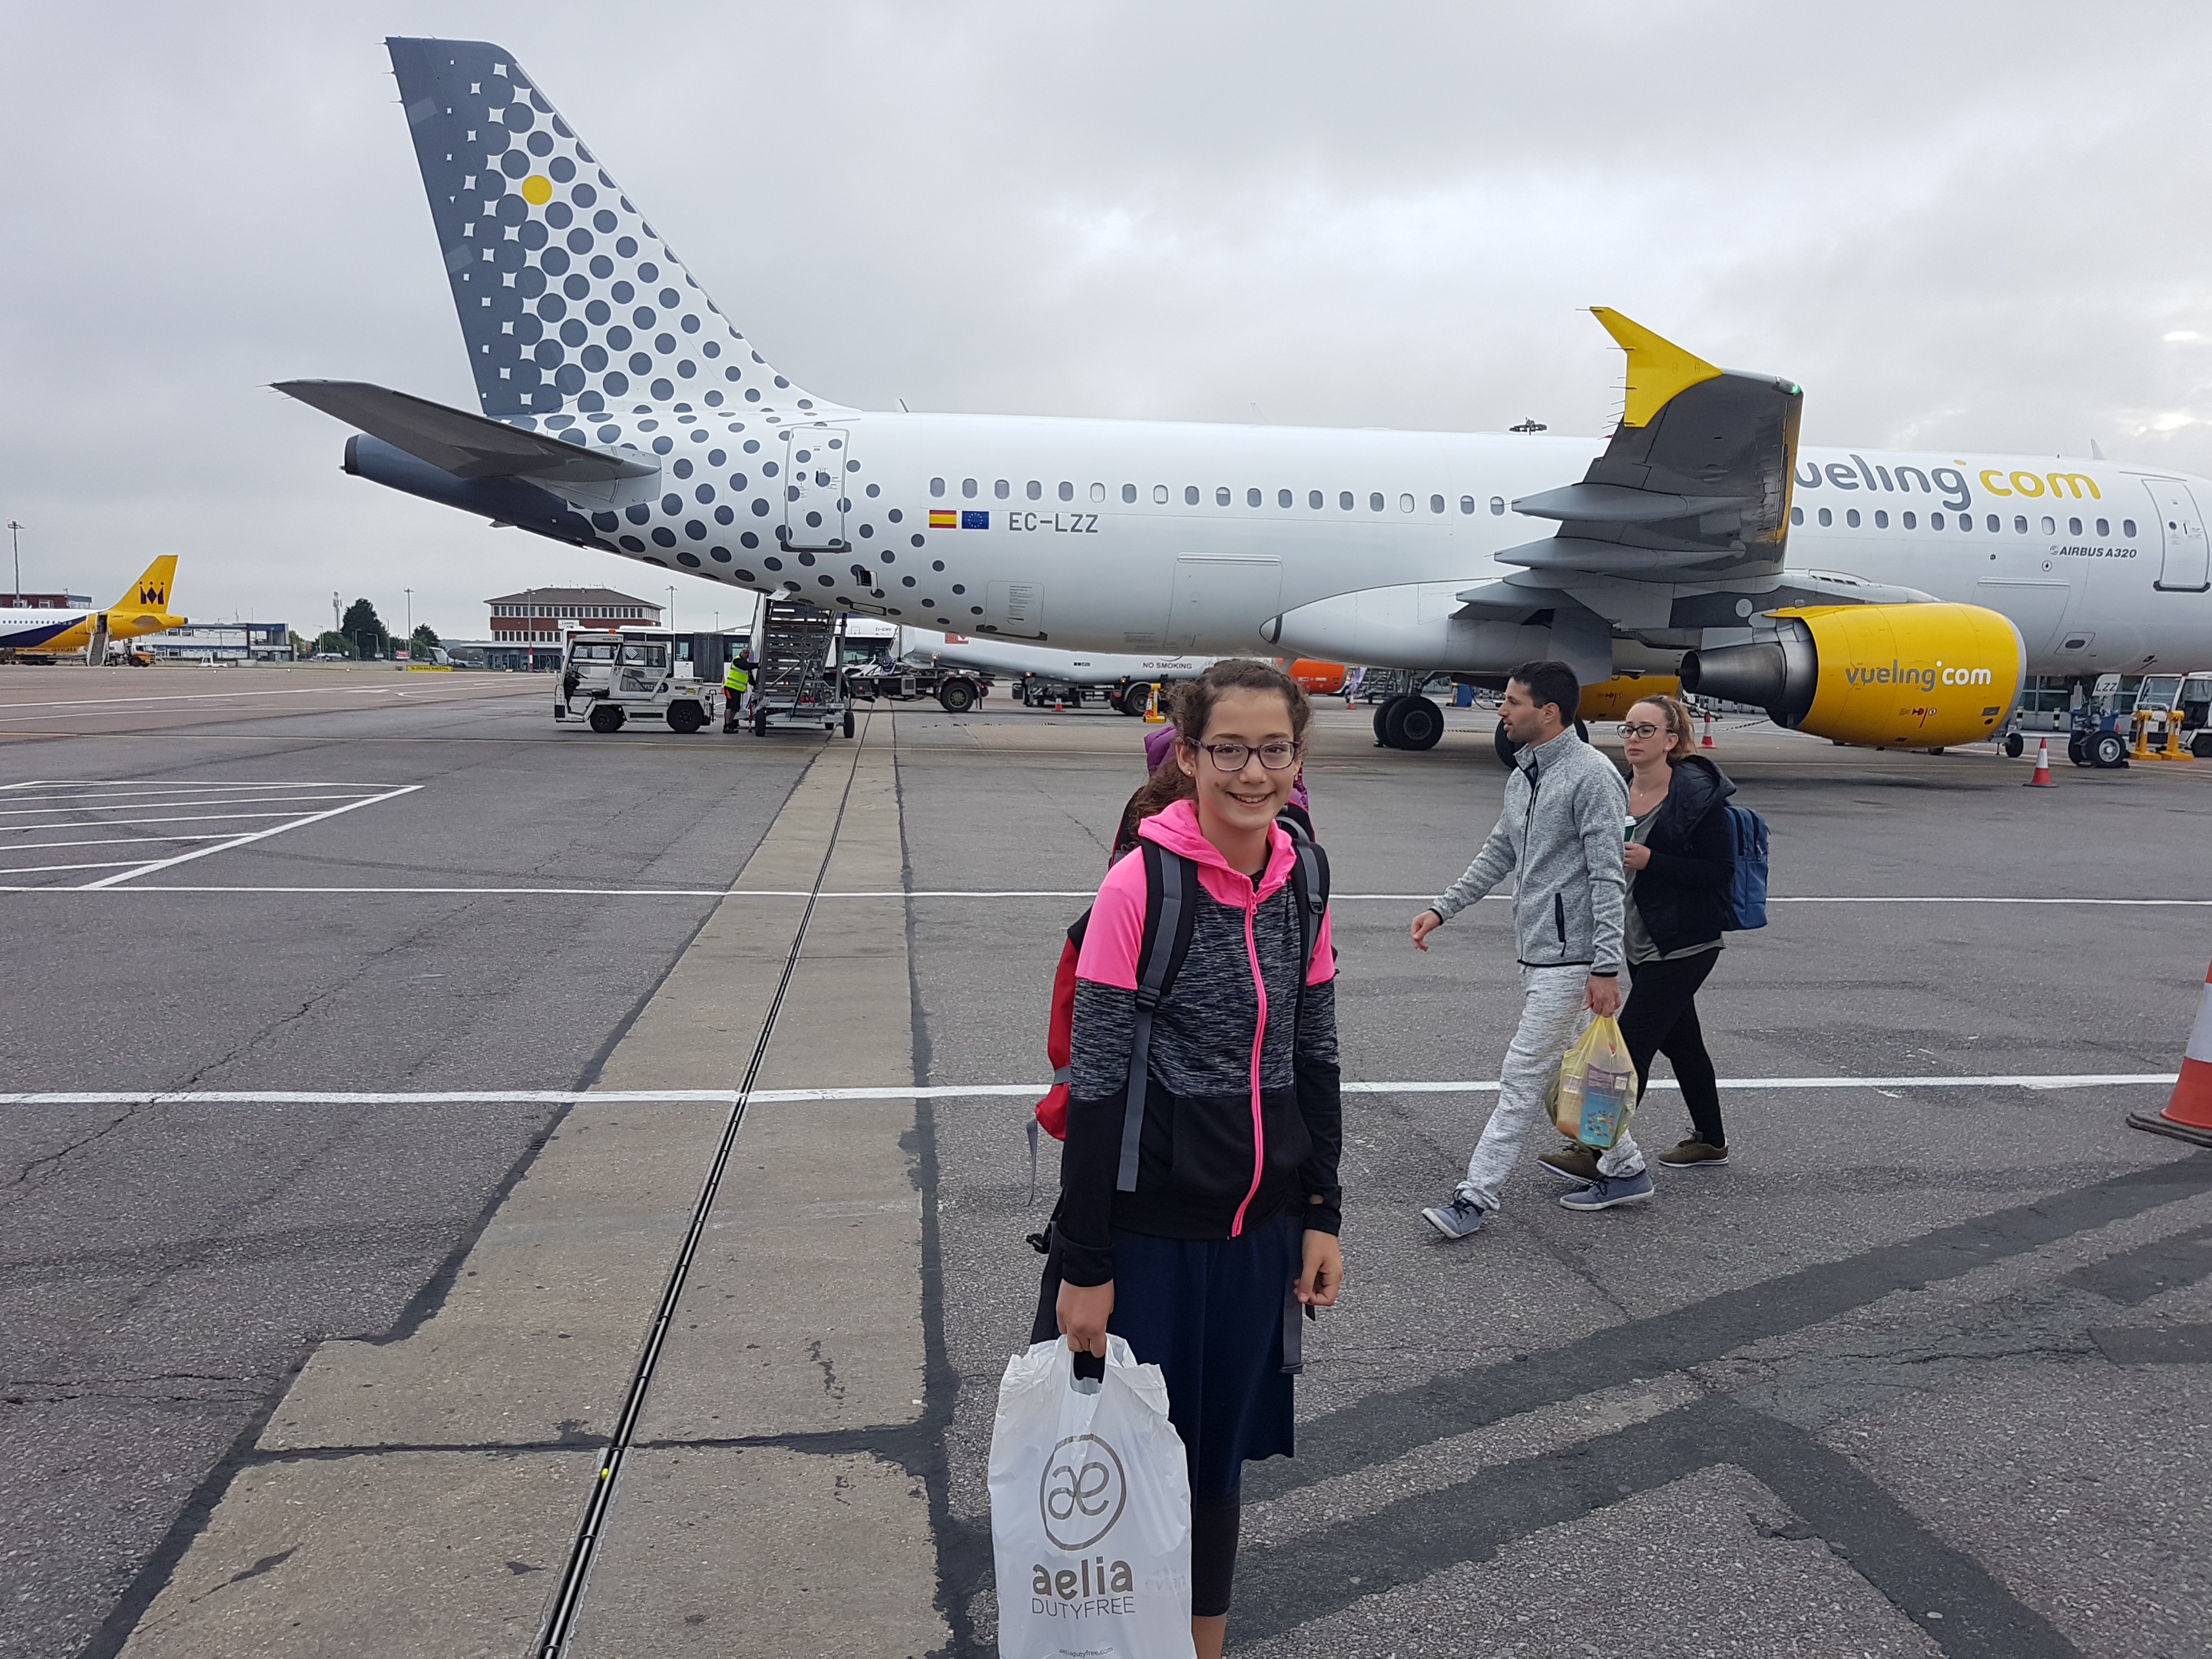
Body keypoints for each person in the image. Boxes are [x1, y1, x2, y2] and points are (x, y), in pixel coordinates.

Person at [1041, 659, 1343, 1659]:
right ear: (1189, 754)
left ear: (1298, 756)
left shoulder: (1306, 879)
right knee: (1119, 1471)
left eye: (1274, 750)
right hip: (1148, 1239)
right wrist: (1086, 1262)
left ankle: (1200, 1648)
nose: (1253, 773)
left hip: (1257, 1236)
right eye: (1229, 750)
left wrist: (1322, 1212)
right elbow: (1096, 1086)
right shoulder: (1141, 884)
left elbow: (1314, 1053)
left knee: (1215, 1472)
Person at [1409, 659, 1651, 1233]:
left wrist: (1606, 967)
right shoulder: (1524, 775)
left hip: (1574, 959)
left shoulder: (1592, 776)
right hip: (1540, 951)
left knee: (1521, 1076)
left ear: (1549, 712)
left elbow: (1608, 877)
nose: (1502, 710)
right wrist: (1443, 908)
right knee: (1571, 1075)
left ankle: (1475, 1198)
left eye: (1512, 702)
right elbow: (1500, 851)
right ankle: (1626, 1168)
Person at [1603, 694, 1735, 1171]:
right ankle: (1711, 1141)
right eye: (1628, 729)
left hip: (1685, 941)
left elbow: (1719, 871)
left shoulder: (1697, 798)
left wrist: (1652, 860)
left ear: (1670, 740)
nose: (1633, 739)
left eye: (1646, 730)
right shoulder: (1618, 790)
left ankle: (1596, 1149)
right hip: (1640, 939)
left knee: (1628, 1048)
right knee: (1682, 1042)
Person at [721, 651, 752, 731]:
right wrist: (757, 665)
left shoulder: (747, 665)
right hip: (731, 687)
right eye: (745, 653)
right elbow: (745, 666)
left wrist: (755, 684)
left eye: (748, 653)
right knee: (730, 706)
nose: (747, 654)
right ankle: (727, 725)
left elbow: (750, 677)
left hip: (738, 689)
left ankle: (730, 725)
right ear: (741, 653)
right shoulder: (737, 661)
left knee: (735, 708)